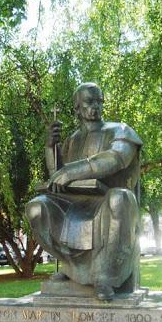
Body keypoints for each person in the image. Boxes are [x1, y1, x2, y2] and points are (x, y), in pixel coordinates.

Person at [26, 82, 143, 301]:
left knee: (120, 197)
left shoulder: (121, 130)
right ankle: (72, 268)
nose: (95, 107)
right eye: (89, 102)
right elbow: (58, 177)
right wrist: (50, 147)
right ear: (77, 107)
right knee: (37, 208)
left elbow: (116, 158)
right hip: (76, 205)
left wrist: (71, 171)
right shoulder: (73, 139)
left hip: (110, 204)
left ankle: (104, 277)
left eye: (99, 101)